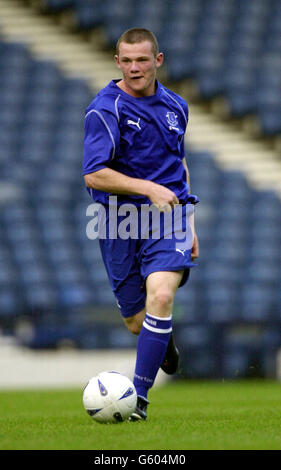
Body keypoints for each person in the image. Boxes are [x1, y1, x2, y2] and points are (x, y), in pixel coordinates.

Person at [83, 28, 199, 421]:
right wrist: (147, 187)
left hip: (168, 217)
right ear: (117, 62)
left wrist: (190, 220)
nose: (135, 68)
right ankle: (162, 342)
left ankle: (140, 400)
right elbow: (94, 174)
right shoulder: (105, 109)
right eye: (127, 60)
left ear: (158, 61)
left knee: (162, 296)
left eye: (142, 60)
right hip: (118, 222)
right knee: (137, 321)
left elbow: (177, 161)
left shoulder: (177, 106)